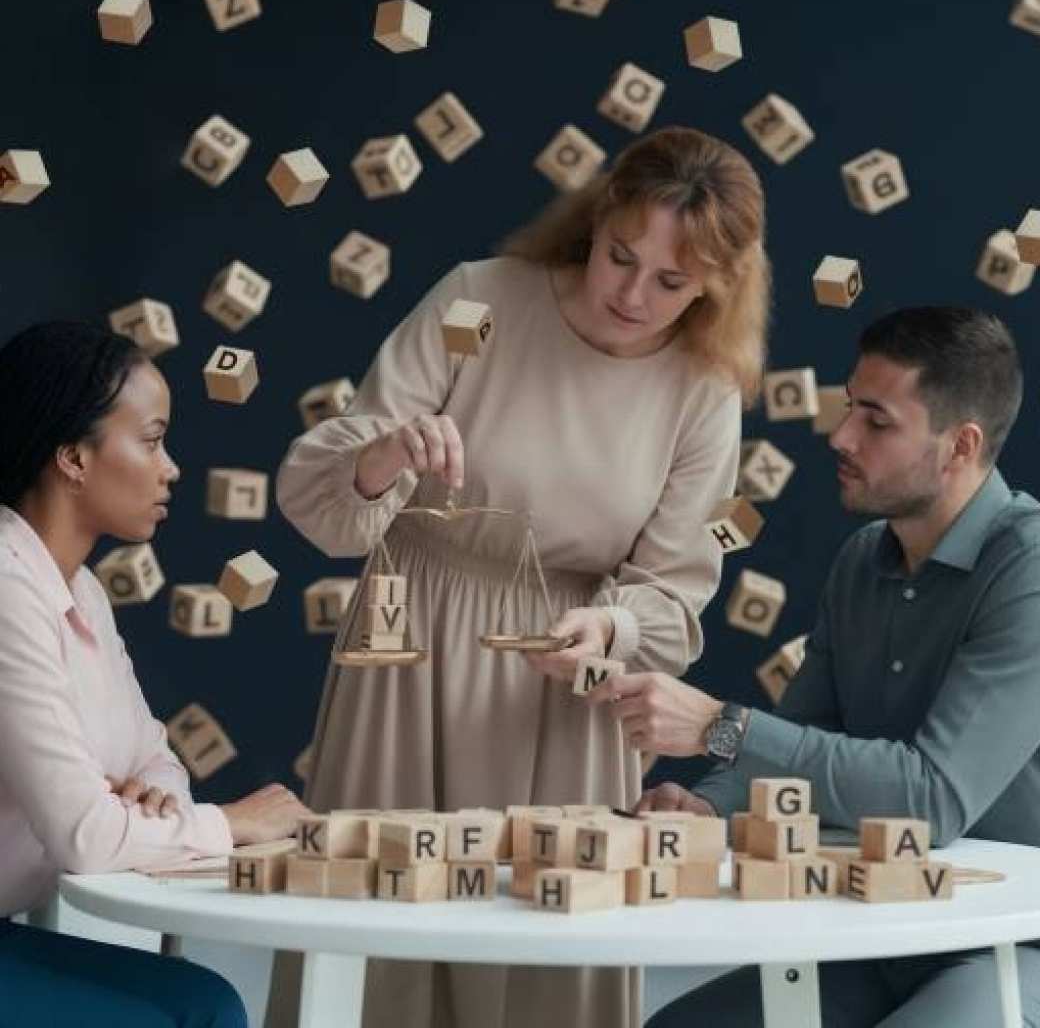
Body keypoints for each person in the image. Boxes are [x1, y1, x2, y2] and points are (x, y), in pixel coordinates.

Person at [268, 125, 771, 1028]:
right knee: (379, 923)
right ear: (598, 219)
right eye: (622, 257)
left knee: (550, 954)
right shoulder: (479, 298)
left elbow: (675, 583)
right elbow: (325, 497)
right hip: (408, 645)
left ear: (716, 287)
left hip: (567, 682)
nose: (633, 294)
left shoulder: (705, 388)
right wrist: (385, 456)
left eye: (671, 281)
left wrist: (610, 631)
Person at [586, 306, 1040, 1026]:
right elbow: (798, 734)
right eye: (848, 406)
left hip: (1000, 941)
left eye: (877, 421)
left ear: (961, 446)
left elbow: (932, 800)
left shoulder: (1029, 568)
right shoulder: (861, 560)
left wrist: (718, 725)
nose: (841, 435)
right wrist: (710, 804)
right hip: (869, 927)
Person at [0, 321, 309, 1028]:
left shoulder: (80, 592)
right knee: (193, 1017)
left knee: (208, 1001)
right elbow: (85, 835)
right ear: (74, 457)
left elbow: (154, 756)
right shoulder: (7, 588)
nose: (170, 466)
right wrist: (231, 823)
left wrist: (152, 802)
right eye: (151, 440)